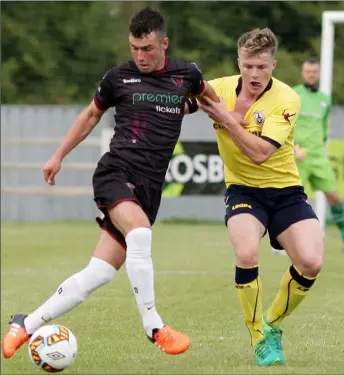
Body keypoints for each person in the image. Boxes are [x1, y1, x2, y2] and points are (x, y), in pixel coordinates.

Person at [2, 7, 218, 360]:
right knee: (140, 234)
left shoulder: (187, 75)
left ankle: (25, 324)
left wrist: (235, 120)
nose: (140, 56)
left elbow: (208, 101)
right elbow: (90, 116)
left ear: (164, 43)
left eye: (147, 48)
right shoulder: (119, 78)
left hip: (149, 187)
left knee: (99, 273)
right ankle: (154, 326)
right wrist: (58, 155)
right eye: (134, 48)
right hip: (116, 173)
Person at [188, 28, 324, 366]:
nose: (254, 74)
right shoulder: (219, 89)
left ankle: (272, 323)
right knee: (247, 253)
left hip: (285, 191)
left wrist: (227, 119)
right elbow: (182, 102)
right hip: (243, 190)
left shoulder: (287, 99)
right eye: (248, 65)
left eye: (262, 67)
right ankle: (258, 337)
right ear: (239, 62)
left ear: (273, 65)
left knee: (311, 262)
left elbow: (261, 153)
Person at [289, 57, 344, 255]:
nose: (311, 74)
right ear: (303, 73)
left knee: (334, 196)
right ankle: (284, 242)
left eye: (314, 71)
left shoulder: (325, 100)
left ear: (318, 73)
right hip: (298, 155)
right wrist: (292, 147)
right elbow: (284, 123)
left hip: (318, 155)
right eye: (308, 71)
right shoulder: (294, 94)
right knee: (294, 200)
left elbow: (324, 129)